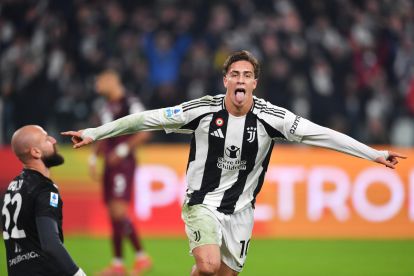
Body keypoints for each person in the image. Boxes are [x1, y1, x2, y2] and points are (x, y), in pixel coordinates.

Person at [62, 50, 406, 276]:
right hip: (202, 202)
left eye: (247, 74)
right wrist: (96, 132)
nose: (240, 79)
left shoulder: (273, 118)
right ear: (225, 80)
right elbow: (146, 119)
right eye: (234, 74)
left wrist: (373, 154)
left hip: (242, 210)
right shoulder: (202, 110)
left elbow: (323, 135)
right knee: (208, 266)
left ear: (255, 83)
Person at [1, 125, 86, 276]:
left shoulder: (13, 188)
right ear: (35, 152)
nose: (53, 140)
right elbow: (51, 244)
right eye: (46, 138)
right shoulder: (44, 188)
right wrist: (78, 273)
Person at [90, 70, 152, 276]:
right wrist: (93, 158)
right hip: (109, 164)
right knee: (113, 215)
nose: (97, 86)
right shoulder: (105, 106)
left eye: (100, 81)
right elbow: (102, 134)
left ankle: (141, 256)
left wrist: (122, 150)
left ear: (112, 81)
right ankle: (118, 264)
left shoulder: (130, 102)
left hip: (123, 164)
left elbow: (145, 132)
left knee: (119, 212)